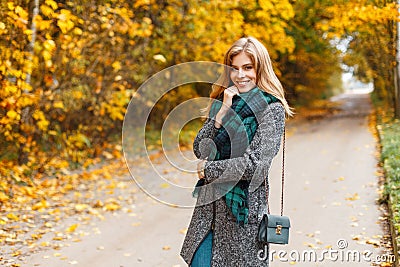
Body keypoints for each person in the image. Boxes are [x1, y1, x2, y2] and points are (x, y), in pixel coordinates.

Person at [180, 36, 293, 267]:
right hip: (209, 213)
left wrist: (208, 170)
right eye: (235, 68)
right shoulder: (228, 101)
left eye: (248, 67)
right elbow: (200, 148)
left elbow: (254, 165)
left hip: (242, 217)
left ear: (260, 69)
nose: (240, 75)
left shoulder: (271, 110)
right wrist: (221, 114)